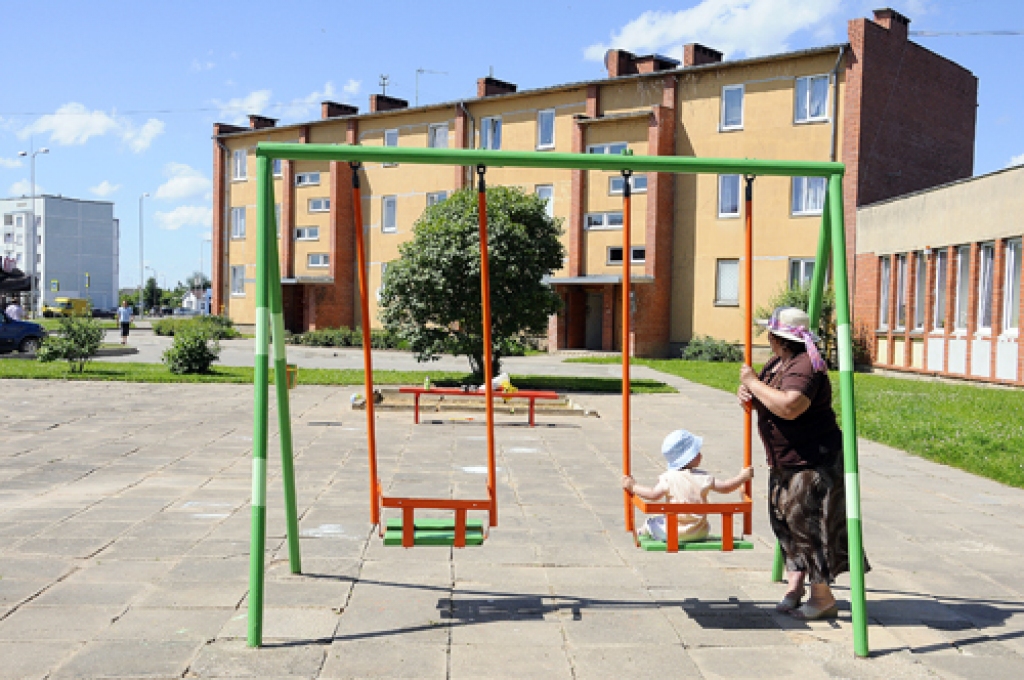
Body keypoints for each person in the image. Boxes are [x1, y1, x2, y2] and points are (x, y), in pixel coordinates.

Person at [737, 306, 866, 620]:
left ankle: (822, 597)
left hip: (812, 460)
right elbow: (770, 396)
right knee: (785, 523)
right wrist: (751, 393)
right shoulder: (780, 362)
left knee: (809, 526)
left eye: (769, 332)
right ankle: (795, 585)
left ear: (777, 338)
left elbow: (791, 405)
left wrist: (753, 384)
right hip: (786, 458)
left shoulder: (805, 365)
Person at [622, 429, 753, 544]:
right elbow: (726, 487)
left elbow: (652, 495)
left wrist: (633, 486)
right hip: (700, 532)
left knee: (651, 522)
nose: (701, 454)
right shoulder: (704, 478)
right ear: (688, 458)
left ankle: (642, 531)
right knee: (663, 519)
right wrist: (743, 477)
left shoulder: (668, 478)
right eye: (697, 452)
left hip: (672, 532)